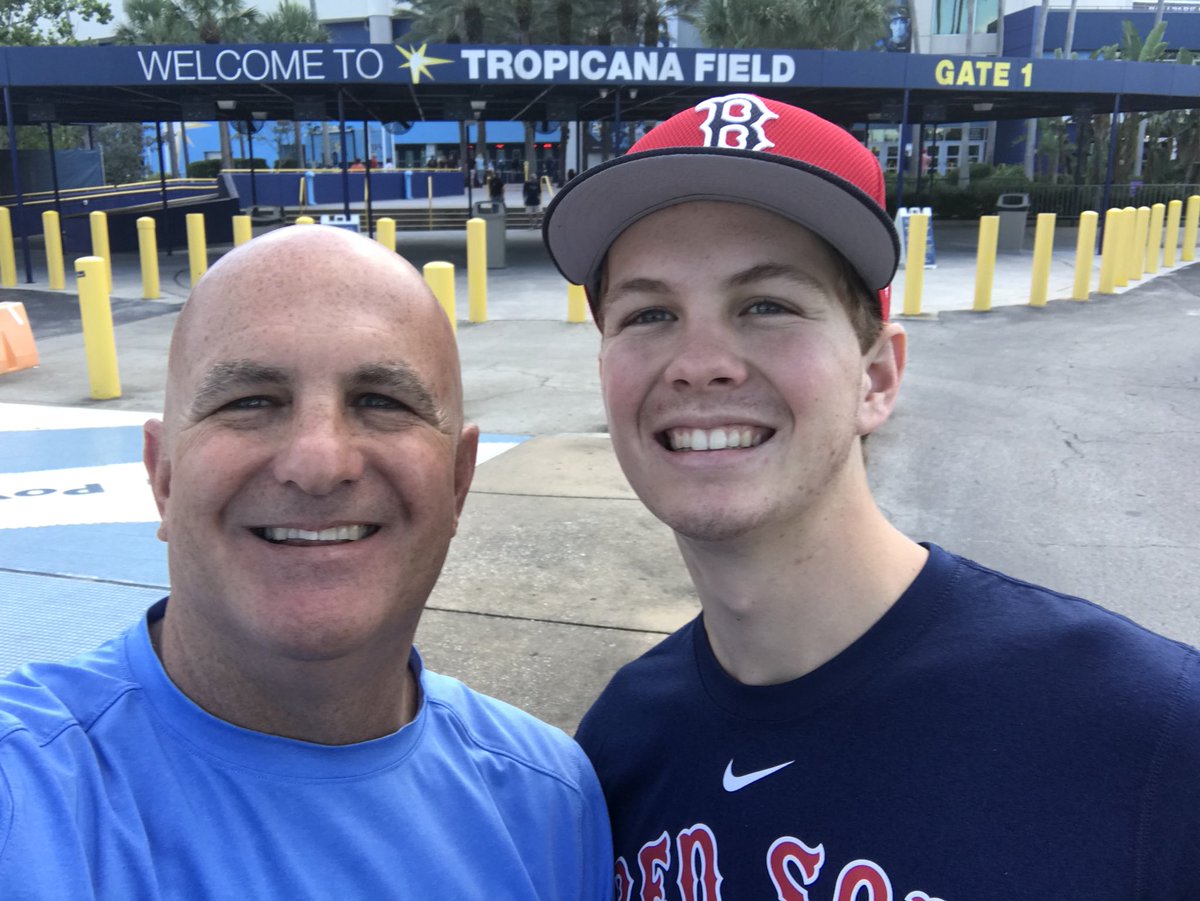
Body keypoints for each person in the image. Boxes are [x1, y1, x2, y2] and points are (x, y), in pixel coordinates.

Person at [543, 93, 1200, 899]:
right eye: (649, 313)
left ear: (877, 376)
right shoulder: (620, 741)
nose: (698, 362)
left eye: (766, 305)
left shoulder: (1147, 736)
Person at [0, 226, 612, 898]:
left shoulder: (550, 802)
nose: (319, 463)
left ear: (458, 480)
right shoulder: (24, 790)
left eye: (381, 401)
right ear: (163, 478)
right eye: (250, 401)